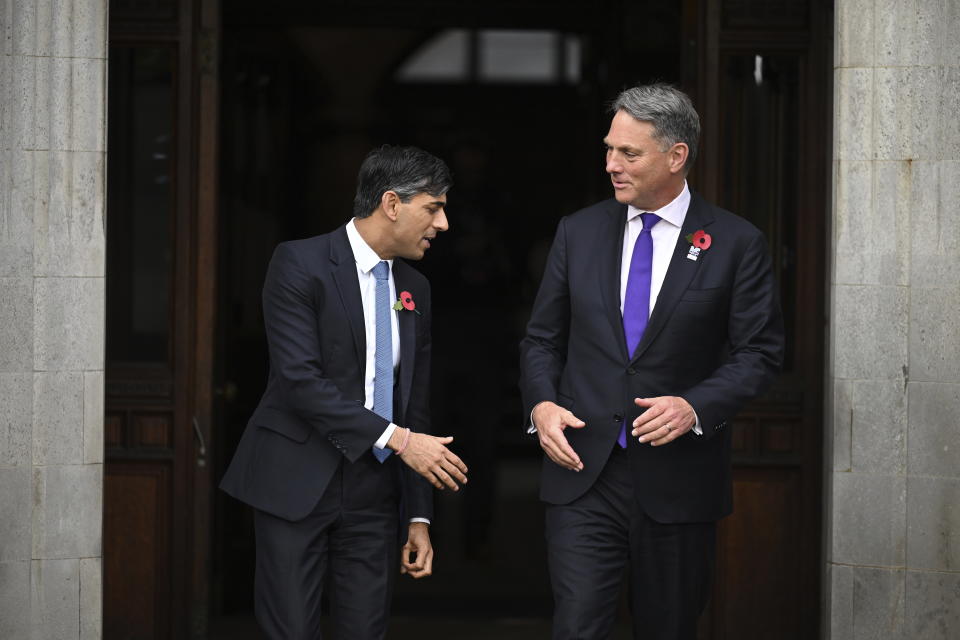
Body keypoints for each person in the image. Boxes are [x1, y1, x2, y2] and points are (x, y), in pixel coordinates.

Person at [519, 83, 784, 639]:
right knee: (576, 626)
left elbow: (760, 353)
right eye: (609, 149)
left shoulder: (736, 243)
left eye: (629, 153)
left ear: (676, 156)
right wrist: (542, 404)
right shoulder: (579, 231)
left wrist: (695, 405)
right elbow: (542, 338)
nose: (611, 164)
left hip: (679, 480)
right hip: (582, 471)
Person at [220, 144, 468, 639]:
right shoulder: (298, 263)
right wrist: (399, 440)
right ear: (392, 204)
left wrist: (417, 514)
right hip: (294, 482)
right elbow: (299, 382)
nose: (442, 224)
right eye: (434, 208)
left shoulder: (415, 286)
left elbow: (412, 403)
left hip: (374, 494)